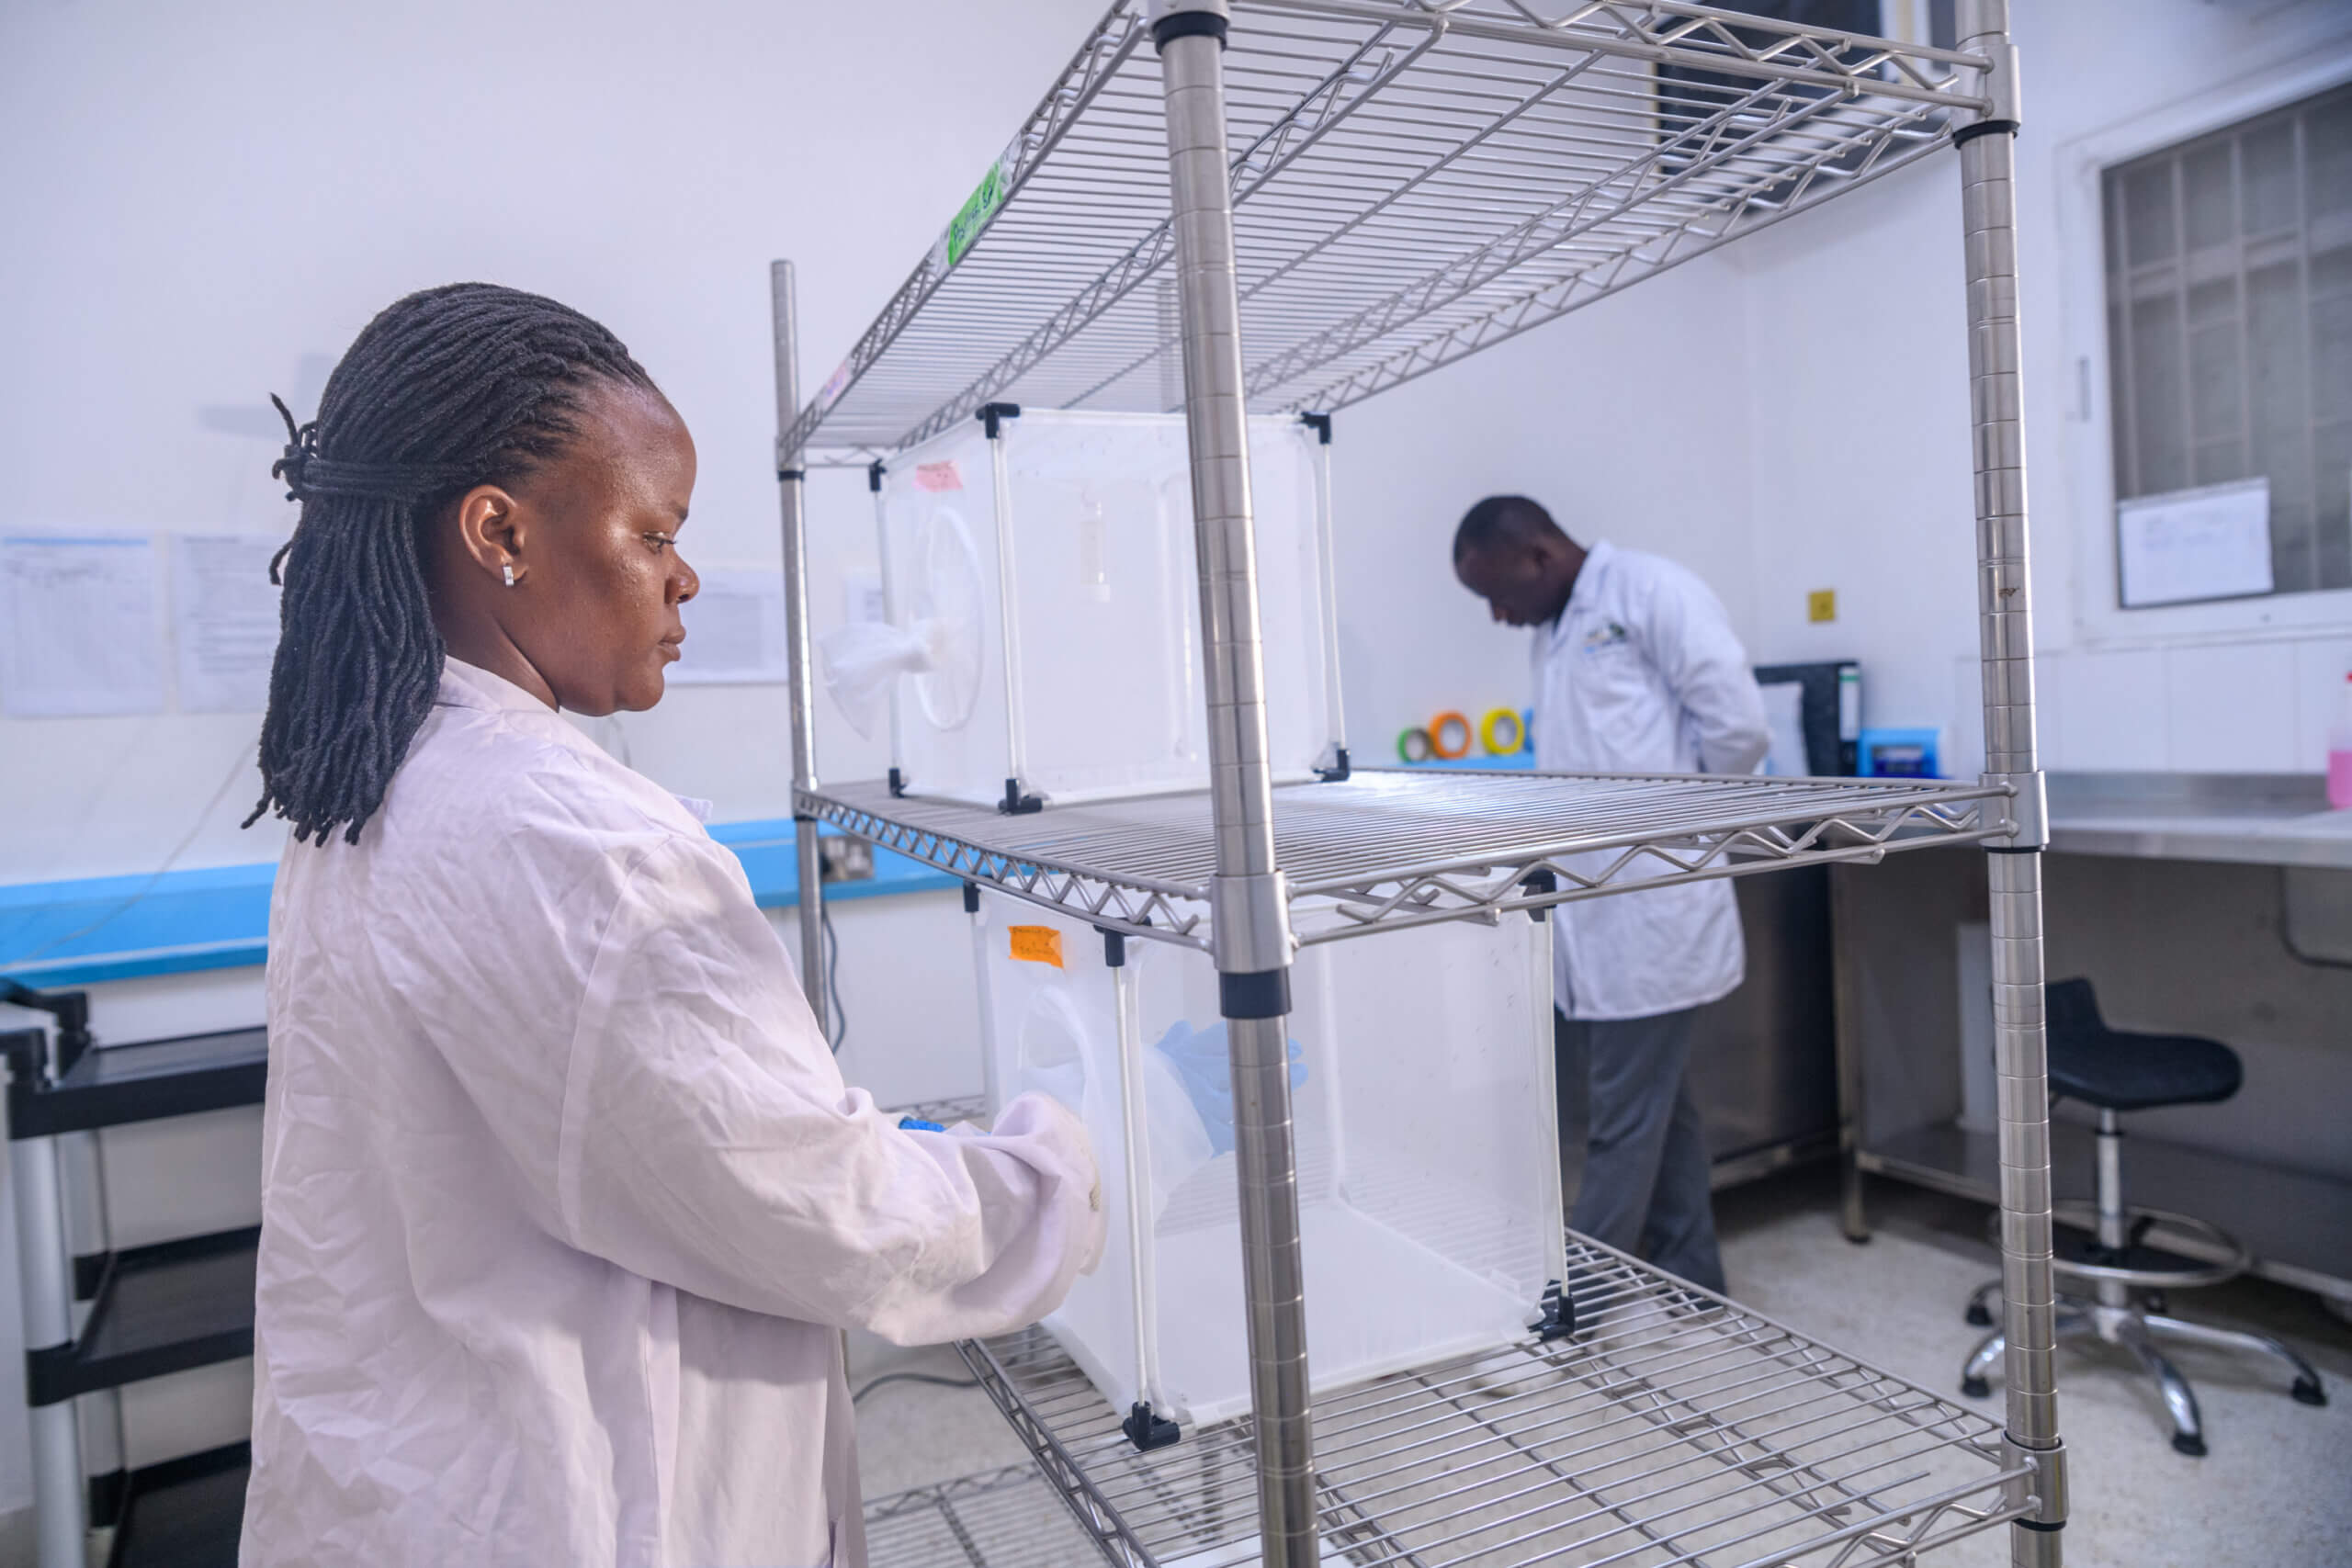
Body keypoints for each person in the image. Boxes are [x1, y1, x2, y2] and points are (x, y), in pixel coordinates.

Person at [239, 283, 1104, 1568]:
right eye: (652, 532)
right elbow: (825, 1214)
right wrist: (1060, 1169)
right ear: (500, 530)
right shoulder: (581, 842)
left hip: (406, 1489)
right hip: (579, 1511)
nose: (684, 576)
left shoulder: (367, 784)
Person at [1452, 496, 1767, 1296]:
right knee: (1662, 1105)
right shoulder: (1555, 628)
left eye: (1500, 594)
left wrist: (1688, 824)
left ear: (1539, 557)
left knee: (1623, 1120)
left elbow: (1738, 724)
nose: (1497, 616)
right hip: (1601, 911)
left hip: (1655, 904)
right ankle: (1694, 1276)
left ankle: (1574, 1306)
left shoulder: (1652, 591)